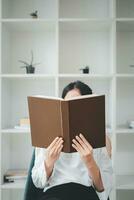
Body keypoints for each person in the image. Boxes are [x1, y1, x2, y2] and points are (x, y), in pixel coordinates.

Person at [32, 80, 113, 200]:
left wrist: (90, 161)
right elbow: (38, 182)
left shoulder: (99, 137)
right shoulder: (47, 136)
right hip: (53, 194)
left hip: (85, 193)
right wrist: (49, 162)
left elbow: (103, 189)